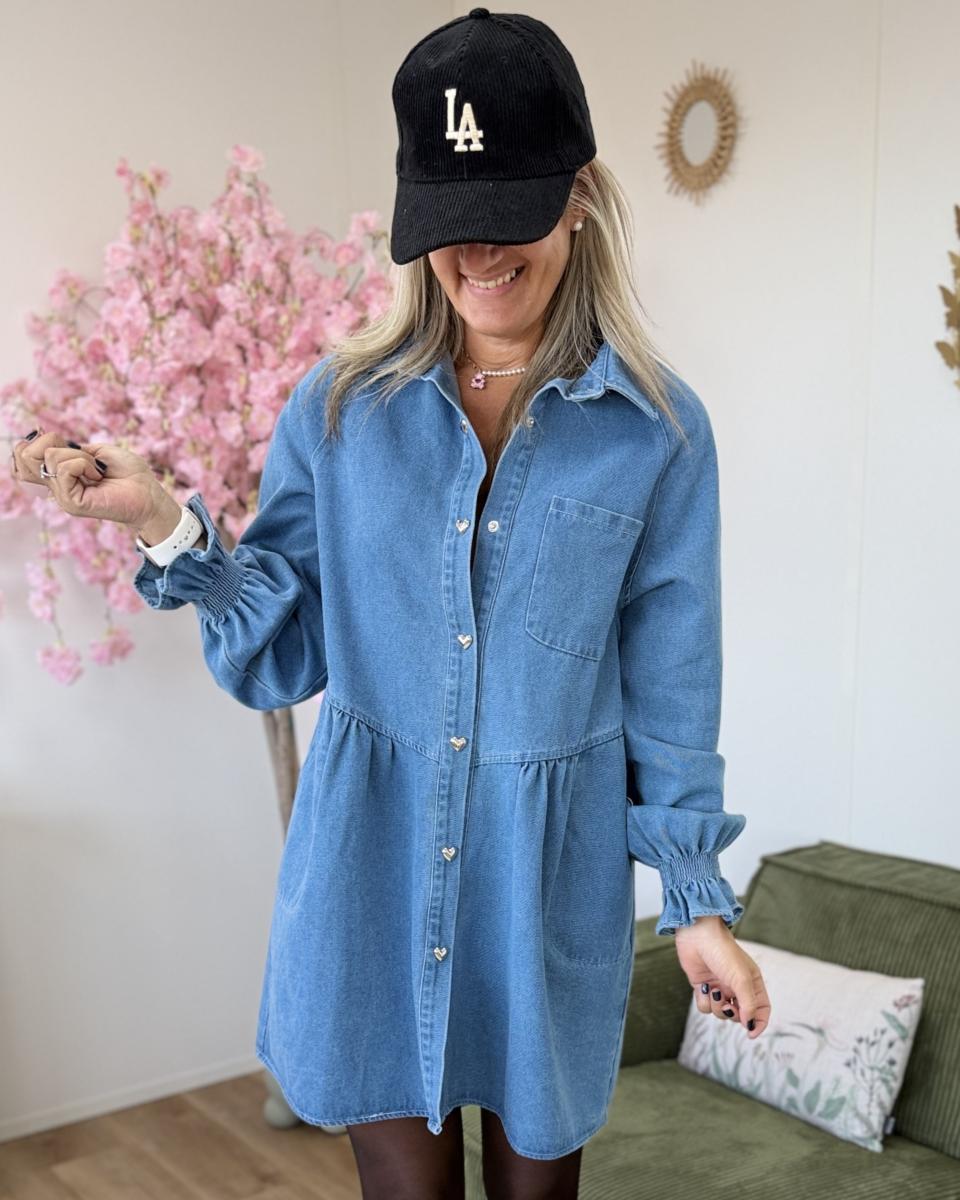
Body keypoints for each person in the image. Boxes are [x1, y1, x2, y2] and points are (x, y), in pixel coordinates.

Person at [12, 8, 772, 1199]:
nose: (478, 252)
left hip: (544, 890)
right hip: (372, 877)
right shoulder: (338, 410)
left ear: (578, 196)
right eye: (448, 220)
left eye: (509, 211)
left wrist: (696, 905)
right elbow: (280, 658)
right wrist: (163, 521)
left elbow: (676, 682)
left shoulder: (659, 433)